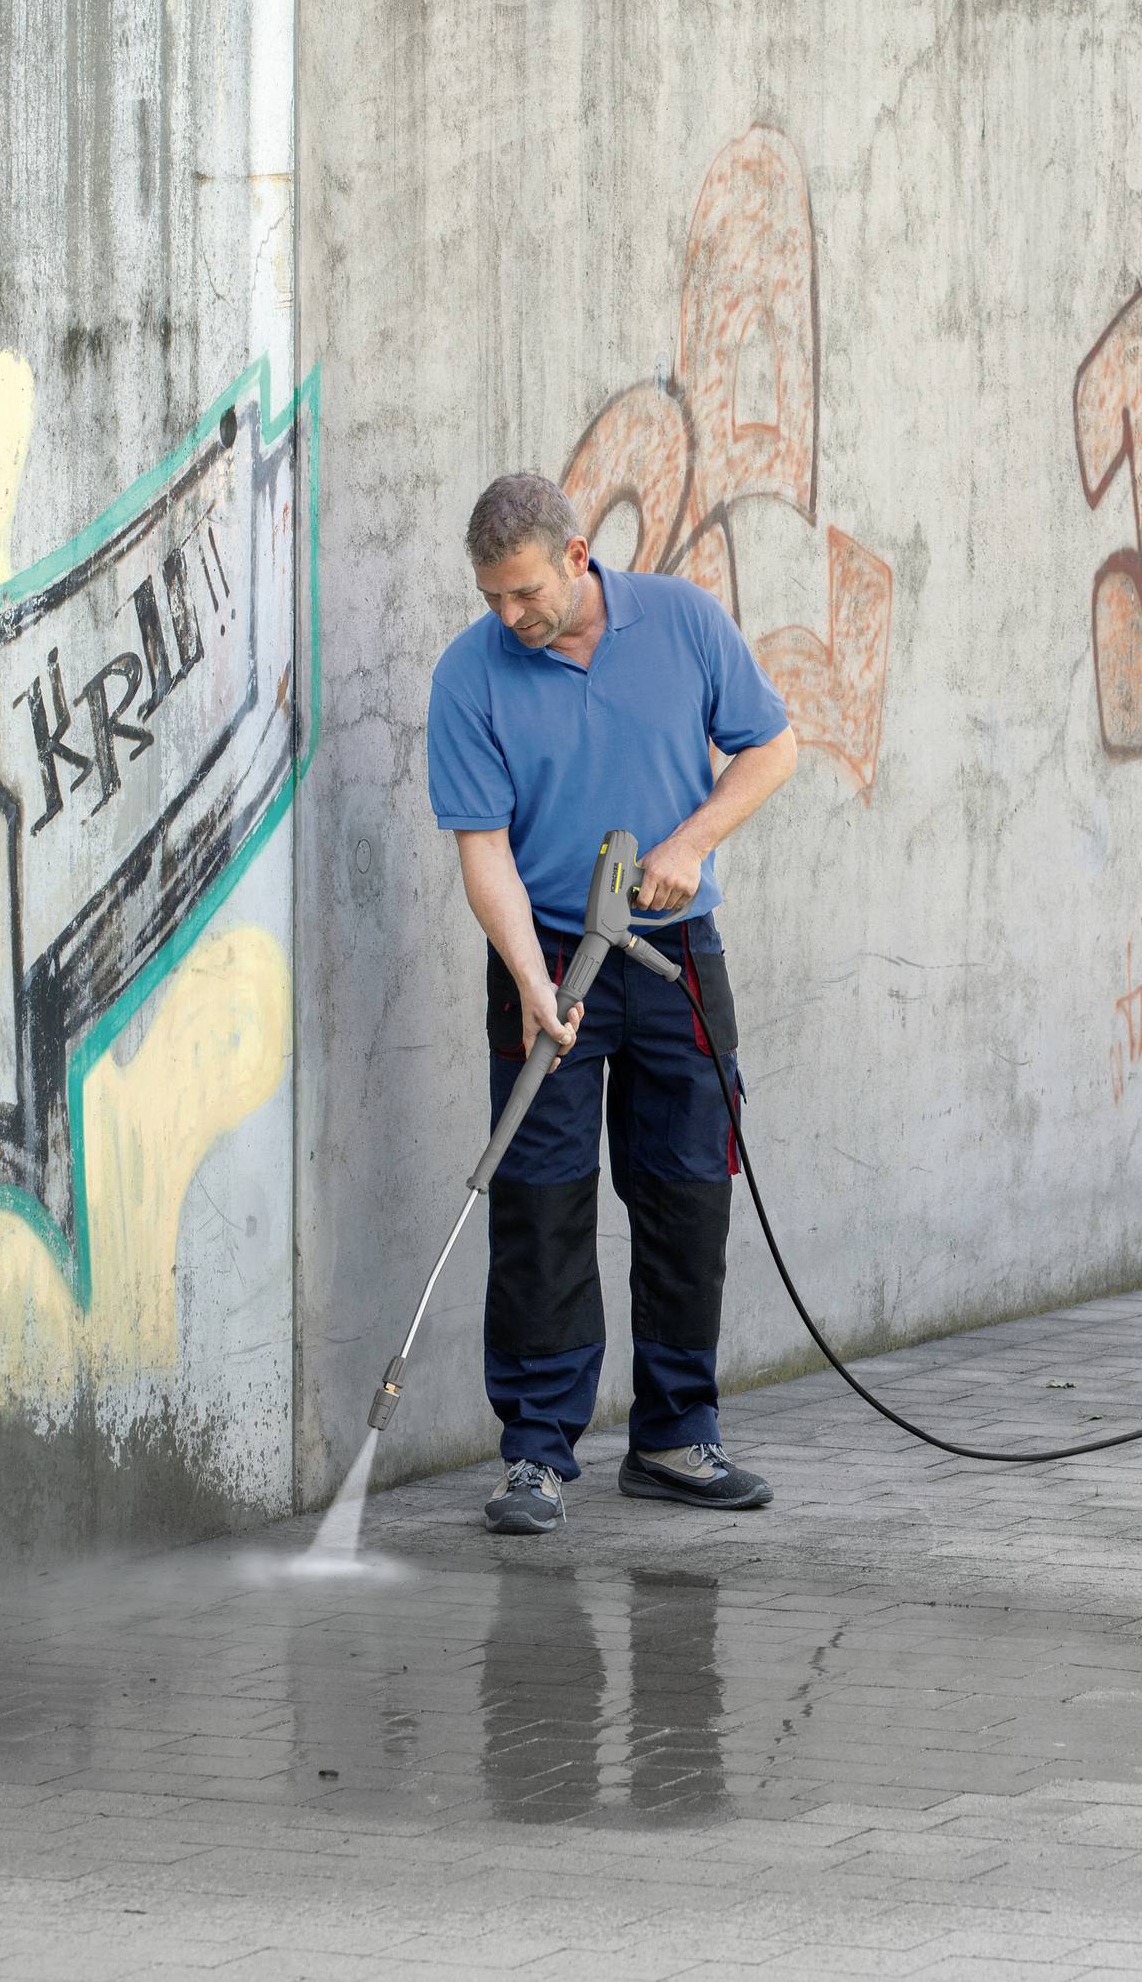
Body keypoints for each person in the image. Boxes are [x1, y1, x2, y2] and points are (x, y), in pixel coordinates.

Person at [425, 472, 799, 1533]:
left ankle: (677, 1436)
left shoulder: (680, 622)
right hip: (541, 951)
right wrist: (533, 983)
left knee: (688, 1192)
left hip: (670, 949)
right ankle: (538, 1454)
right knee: (540, 1201)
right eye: (493, 597)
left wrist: (689, 843)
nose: (510, 616)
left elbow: (772, 748)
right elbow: (483, 849)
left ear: (578, 555)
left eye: (526, 592)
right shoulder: (472, 674)